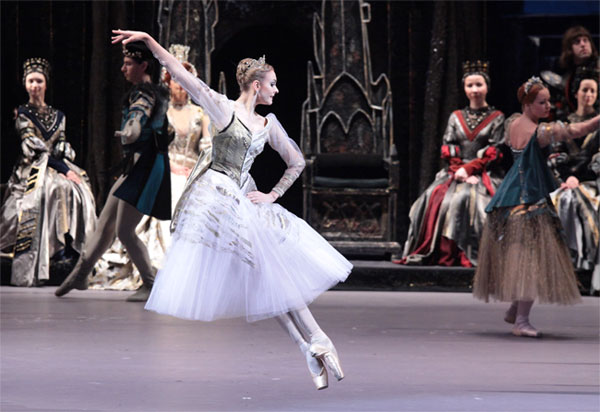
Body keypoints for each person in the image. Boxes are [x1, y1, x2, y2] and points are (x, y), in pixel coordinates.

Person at [111, 29, 352, 390]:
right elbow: (179, 71)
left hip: (247, 197)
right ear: (256, 85)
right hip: (217, 198)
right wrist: (148, 40)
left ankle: (308, 345)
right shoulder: (222, 107)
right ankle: (317, 338)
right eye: (273, 84)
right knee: (266, 273)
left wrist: (272, 196)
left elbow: (296, 162)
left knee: (266, 276)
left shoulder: (266, 125)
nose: (277, 90)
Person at [473, 76, 600, 338]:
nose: (548, 107)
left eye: (549, 102)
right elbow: (575, 131)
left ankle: (513, 310)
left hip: (510, 196)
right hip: (528, 199)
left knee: (522, 257)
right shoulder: (537, 132)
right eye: (542, 103)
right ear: (529, 104)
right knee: (531, 261)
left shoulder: (513, 123)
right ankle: (521, 321)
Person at [55, 41, 171, 301]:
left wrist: (131, 131)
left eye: (129, 63)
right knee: (105, 221)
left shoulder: (144, 93)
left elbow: (137, 120)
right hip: (138, 165)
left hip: (147, 166)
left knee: (124, 230)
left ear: (143, 65)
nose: (122, 68)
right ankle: (81, 273)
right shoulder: (155, 93)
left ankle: (151, 283)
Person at [90, 44, 211, 291]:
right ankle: (153, 273)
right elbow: (144, 129)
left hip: (191, 172)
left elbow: (206, 149)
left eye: (186, 82)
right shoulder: (161, 107)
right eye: (177, 82)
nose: (181, 88)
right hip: (163, 168)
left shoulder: (200, 114)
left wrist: (199, 169)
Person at [397, 61, 505, 267]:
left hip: (485, 172)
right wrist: (459, 170)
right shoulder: (456, 117)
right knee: (435, 197)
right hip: (456, 172)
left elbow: (494, 151)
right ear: (464, 88)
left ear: (487, 87)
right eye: (470, 85)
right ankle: (439, 253)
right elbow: (449, 146)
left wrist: (470, 169)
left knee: (468, 199)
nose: (475, 90)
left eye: (479, 85)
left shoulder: (497, 117)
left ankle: (469, 253)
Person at [0, 58, 96, 286]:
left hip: (55, 165)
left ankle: (71, 246)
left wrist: (65, 167)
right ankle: (47, 250)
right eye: (31, 81)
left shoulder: (58, 115)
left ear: (46, 84)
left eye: (39, 81)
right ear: (25, 84)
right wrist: (63, 169)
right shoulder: (22, 114)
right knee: (50, 189)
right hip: (31, 168)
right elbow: (34, 149)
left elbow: (61, 145)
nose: (35, 85)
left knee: (79, 186)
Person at [548, 71, 599, 292]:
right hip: (563, 181)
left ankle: (583, 265)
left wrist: (579, 177)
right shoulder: (563, 123)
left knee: (577, 200)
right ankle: (560, 266)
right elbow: (554, 156)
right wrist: (565, 176)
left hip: (592, 182)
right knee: (561, 199)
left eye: (593, 91)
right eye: (584, 90)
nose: (588, 95)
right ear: (576, 93)